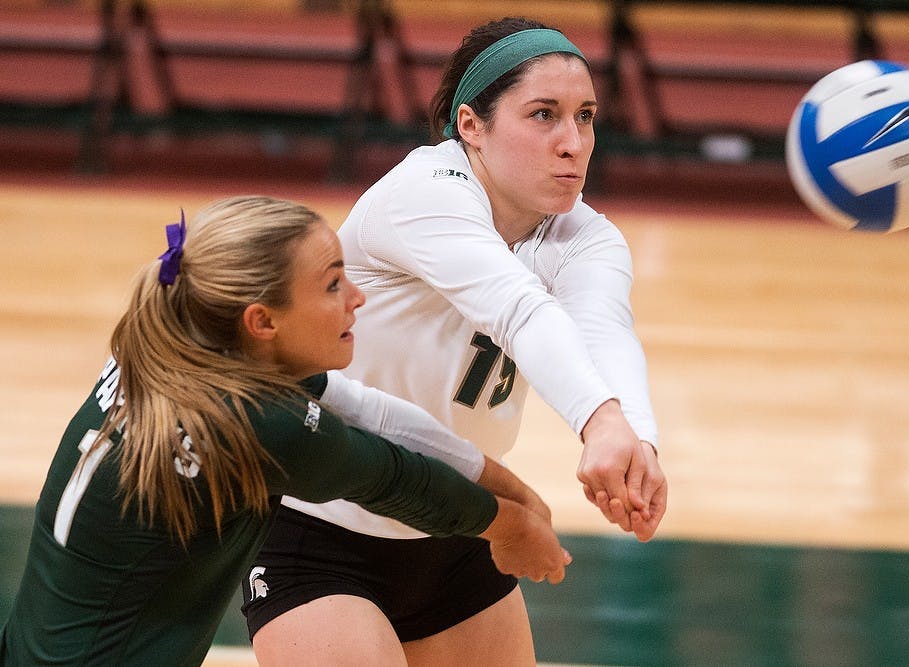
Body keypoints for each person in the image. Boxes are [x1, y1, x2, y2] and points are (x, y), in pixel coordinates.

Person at [245, 16, 668, 667]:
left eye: (585, 117)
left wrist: (633, 439)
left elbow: (603, 330)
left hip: (459, 520)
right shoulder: (424, 193)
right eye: (543, 115)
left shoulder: (586, 236)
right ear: (470, 125)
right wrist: (597, 418)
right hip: (322, 524)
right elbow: (518, 310)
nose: (573, 142)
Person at [0, 196, 570, 667]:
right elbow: (403, 481)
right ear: (262, 322)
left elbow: (376, 412)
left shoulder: (167, 349)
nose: (357, 297)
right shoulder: (258, 424)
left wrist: (522, 500)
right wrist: (509, 525)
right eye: (330, 285)